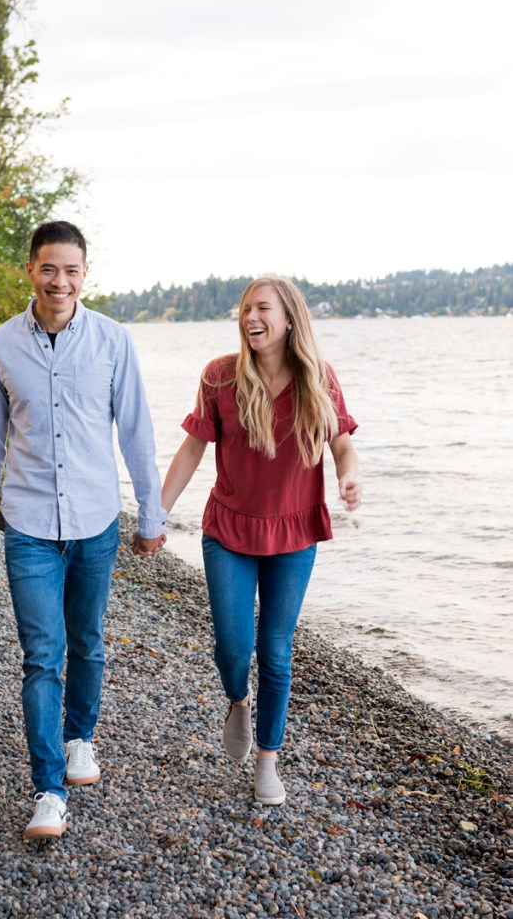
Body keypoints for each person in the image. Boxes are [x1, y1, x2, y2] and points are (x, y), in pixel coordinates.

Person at [0, 220, 166, 839]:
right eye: (49, 268)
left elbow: (134, 431)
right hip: (26, 526)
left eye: (71, 270)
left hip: (95, 522)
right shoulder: (0, 346)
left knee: (89, 641)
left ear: (86, 274)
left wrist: (151, 513)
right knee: (41, 656)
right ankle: (48, 789)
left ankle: (81, 737)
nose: (60, 281)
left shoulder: (113, 341)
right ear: (31, 270)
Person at [161, 275, 360, 806]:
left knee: (275, 650)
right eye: (246, 308)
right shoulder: (220, 377)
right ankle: (237, 700)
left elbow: (341, 443)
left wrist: (347, 476)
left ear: (289, 318)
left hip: (294, 531)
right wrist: (157, 513)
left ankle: (268, 761)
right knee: (233, 645)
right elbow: (190, 451)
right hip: (229, 528)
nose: (251, 317)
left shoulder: (318, 377)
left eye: (263, 308)